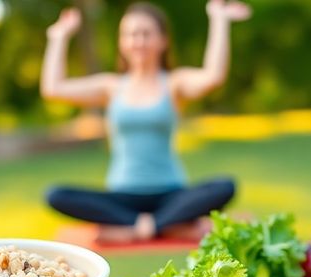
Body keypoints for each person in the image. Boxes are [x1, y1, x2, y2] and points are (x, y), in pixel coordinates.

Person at [41, 1, 250, 243]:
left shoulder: (174, 84)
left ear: (163, 40)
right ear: (122, 42)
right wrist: (58, 37)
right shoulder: (111, 87)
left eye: (146, 34)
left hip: (171, 195)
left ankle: (138, 227)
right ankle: (167, 225)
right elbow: (53, 89)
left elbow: (213, 76)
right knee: (56, 194)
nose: (138, 41)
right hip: (121, 197)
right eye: (131, 34)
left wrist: (219, 20)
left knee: (225, 186)